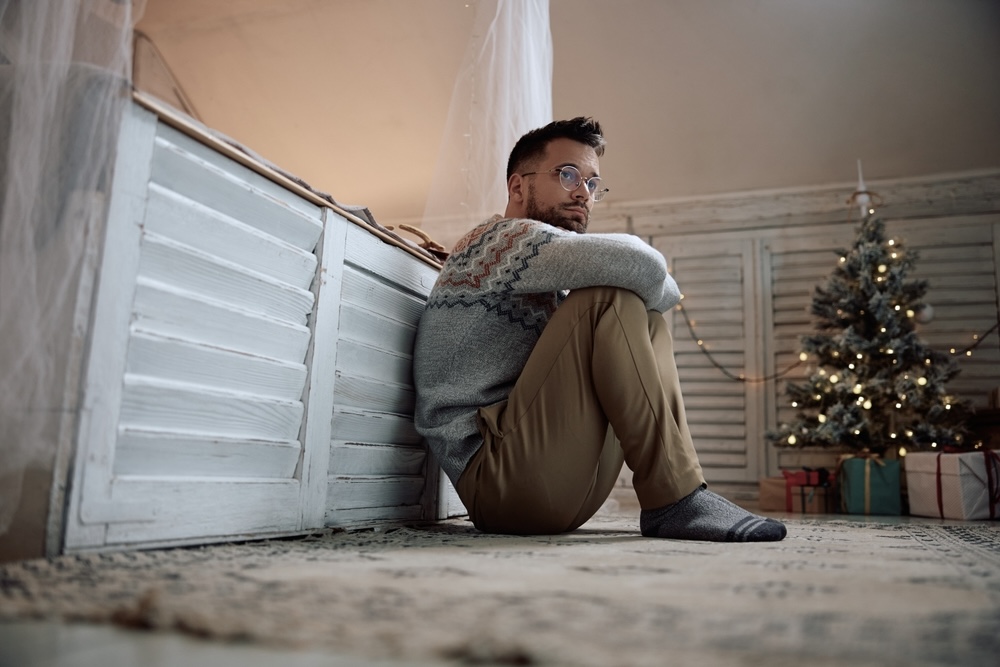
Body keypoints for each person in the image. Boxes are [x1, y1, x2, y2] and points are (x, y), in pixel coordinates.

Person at [413, 117, 786, 542]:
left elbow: (662, 293)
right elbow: (643, 266)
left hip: (555, 483)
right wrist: (645, 273)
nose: (582, 194)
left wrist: (648, 278)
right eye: (567, 175)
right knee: (609, 298)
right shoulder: (493, 243)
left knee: (645, 319)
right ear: (518, 187)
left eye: (593, 184)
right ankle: (677, 499)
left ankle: (678, 494)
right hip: (495, 480)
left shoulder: (547, 277)